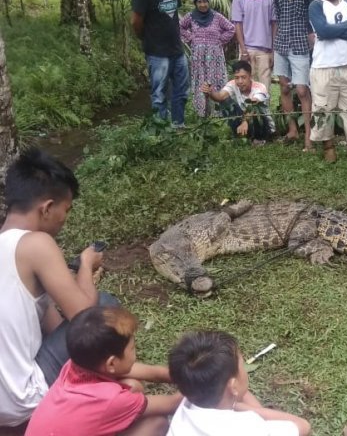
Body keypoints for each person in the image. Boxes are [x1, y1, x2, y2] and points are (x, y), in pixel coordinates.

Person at [0, 149, 110, 427]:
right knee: (106, 306)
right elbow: (86, 318)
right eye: (66, 209)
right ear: (47, 208)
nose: (65, 218)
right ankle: (97, 395)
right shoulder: (36, 243)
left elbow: (53, 323)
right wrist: (86, 266)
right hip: (21, 399)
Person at [25, 306, 182, 436]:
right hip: (107, 404)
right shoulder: (111, 399)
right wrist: (201, 377)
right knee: (156, 422)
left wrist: (176, 374)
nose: (136, 353)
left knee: (132, 386)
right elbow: (171, 404)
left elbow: (133, 371)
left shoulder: (74, 365)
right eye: (132, 348)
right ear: (112, 362)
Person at [167, 331, 311, 435]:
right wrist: (245, 408)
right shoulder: (247, 427)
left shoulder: (185, 407)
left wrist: (235, 397)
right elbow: (302, 426)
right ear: (233, 386)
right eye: (242, 366)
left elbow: (233, 391)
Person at [308, 0, 347, 162]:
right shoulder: (316, 5)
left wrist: (333, 29)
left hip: (346, 65)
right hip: (323, 66)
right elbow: (323, 32)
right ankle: (329, 148)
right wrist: (346, 25)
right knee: (323, 108)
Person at [131, 0, 189, 128]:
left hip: (177, 50)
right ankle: (161, 131)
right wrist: (145, 38)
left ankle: (178, 125)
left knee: (181, 90)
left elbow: (174, 14)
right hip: (157, 52)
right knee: (159, 94)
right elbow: (135, 21)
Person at [180, 0, 236, 118]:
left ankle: (219, 112)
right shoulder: (190, 16)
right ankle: (202, 112)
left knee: (216, 81)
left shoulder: (217, 16)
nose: (202, 5)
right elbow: (180, 27)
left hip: (215, 57)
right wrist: (190, 38)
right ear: (195, 3)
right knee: (200, 82)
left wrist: (220, 40)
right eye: (199, 2)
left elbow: (231, 29)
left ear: (208, 2)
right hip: (198, 57)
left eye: (205, 1)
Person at [273, 0, 315, 150]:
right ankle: (293, 130)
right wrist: (273, 47)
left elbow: (313, 16)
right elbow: (277, 19)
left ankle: (309, 135)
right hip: (281, 44)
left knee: (302, 91)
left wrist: (312, 36)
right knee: (284, 87)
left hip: (300, 44)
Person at [202, 60, 275, 145]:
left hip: (263, 125)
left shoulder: (260, 87)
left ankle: (259, 138)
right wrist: (210, 92)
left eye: (243, 77)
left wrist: (245, 122)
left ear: (250, 76)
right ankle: (239, 134)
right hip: (244, 119)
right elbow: (220, 97)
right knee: (225, 102)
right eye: (237, 77)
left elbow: (253, 106)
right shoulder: (233, 84)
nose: (240, 81)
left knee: (256, 111)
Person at [231, 0, 276, 91]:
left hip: (265, 50)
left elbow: (274, 24)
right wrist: (243, 50)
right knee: (245, 85)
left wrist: (273, 50)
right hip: (246, 49)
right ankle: (246, 106)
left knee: (264, 87)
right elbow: (237, 24)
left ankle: (263, 106)